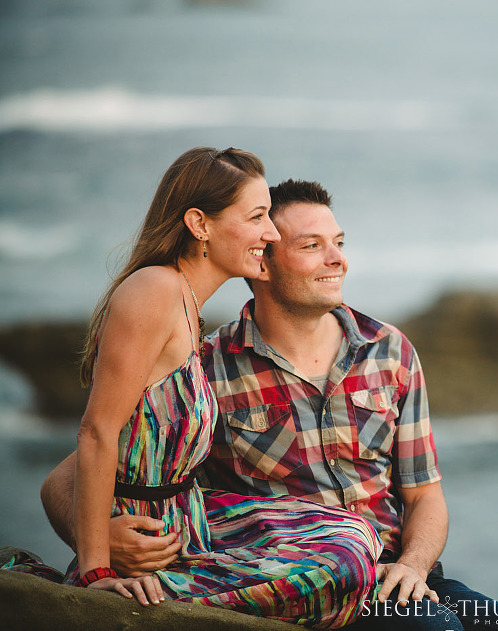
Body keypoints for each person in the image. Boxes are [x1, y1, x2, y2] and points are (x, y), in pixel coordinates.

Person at [44, 179, 498, 630]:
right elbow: (68, 477)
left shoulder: (391, 351)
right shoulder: (209, 366)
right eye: (313, 246)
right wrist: (104, 545)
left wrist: (414, 565)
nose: (338, 259)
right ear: (261, 260)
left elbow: (425, 496)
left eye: (339, 243)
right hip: (300, 585)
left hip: (401, 574)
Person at [44, 150, 381, 629]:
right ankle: (159, 602)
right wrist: (97, 561)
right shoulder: (154, 291)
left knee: (354, 536)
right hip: (152, 539)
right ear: (200, 224)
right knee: (342, 566)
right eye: (258, 217)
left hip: (191, 520)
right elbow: (96, 431)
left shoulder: (186, 306)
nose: (271, 233)